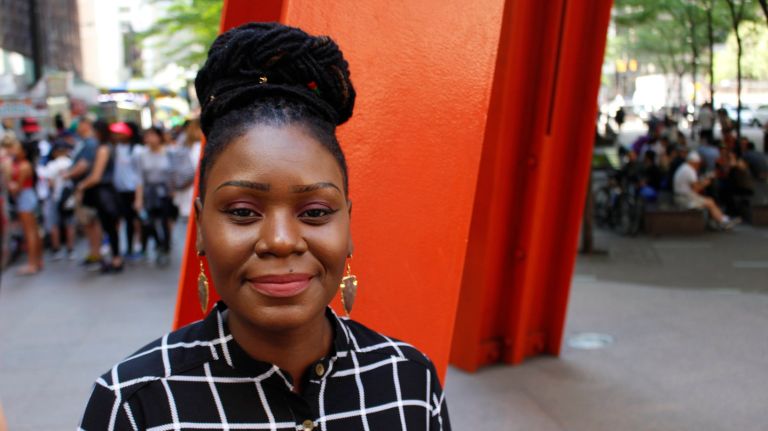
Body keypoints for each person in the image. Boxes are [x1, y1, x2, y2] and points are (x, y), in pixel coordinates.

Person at [79, 22, 451, 430]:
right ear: (201, 226)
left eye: (314, 212)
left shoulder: (410, 381)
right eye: (242, 211)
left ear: (348, 225)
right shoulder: (135, 404)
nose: (280, 241)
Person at [76, 122, 123, 273]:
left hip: (103, 192)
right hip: (106, 191)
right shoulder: (109, 147)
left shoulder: (103, 149)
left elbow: (96, 176)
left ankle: (116, 259)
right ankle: (115, 258)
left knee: (109, 227)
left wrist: (82, 186)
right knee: (110, 227)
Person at [2, 133, 43, 274]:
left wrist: (9, 183)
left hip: (25, 197)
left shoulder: (24, 165)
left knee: (30, 231)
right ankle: (37, 261)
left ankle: (32, 263)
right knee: (33, 231)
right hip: (27, 196)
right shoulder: (22, 164)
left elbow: (16, 188)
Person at [65, 117, 103, 268]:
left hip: (86, 188)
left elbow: (84, 165)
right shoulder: (84, 143)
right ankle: (94, 251)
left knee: (90, 221)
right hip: (83, 187)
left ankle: (96, 252)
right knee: (88, 222)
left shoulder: (89, 143)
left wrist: (68, 175)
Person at [134, 127, 174, 265]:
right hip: (149, 192)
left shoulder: (168, 152)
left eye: (152, 135)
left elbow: (173, 173)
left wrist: (173, 191)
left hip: (165, 192)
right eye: (147, 136)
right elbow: (140, 178)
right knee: (149, 221)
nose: (150, 139)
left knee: (165, 221)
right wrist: (138, 198)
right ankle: (158, 243)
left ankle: (166, 246)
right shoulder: (142, 155)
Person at [673, 151, 736, 229]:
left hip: (681, 196)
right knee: (710, 202)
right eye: (698, 164)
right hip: (685, 199)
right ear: (694, 162)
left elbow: (694, 185)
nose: (698, 166)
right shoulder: (690, 170)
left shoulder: (683, 167)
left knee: (709, 200)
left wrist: (704, 180)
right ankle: (723, 221)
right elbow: (696, 189)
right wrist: (706, 182)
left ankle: (719, 221)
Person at [37, 140, 76, 259]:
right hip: (70, 198)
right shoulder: (71, 163)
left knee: (54, 224)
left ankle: (56, 249)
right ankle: (70, 249)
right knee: (69, 224)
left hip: (56, 197)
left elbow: (50, 184)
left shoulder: (51, 165)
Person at [111, 121, 143, 259]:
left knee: (135, 220)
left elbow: (139, 174)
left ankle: (139, 245)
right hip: (119, 191)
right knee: (126, 220)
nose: (117, 136)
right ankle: (128, 247)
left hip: (133, 190)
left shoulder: (136, 150)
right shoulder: (115, 149)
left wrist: (138, 196)